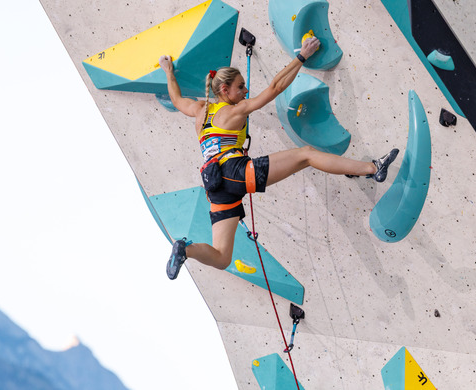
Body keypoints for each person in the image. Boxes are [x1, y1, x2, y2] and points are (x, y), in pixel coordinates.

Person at [159, 36, 399, 280]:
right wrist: (302, 56)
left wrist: (169, 72)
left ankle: (185, 250)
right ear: (225, 90)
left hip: (217, 187)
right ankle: (372, 168)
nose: (245, 91)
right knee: (306, 155)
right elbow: (275, 88)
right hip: (235, 172)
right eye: (240, 87)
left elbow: (177, 100)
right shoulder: (234, 110)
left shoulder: (200, 110)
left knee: (222, 258)